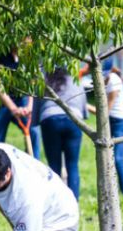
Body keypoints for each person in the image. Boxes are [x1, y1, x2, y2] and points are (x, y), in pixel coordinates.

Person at [37, 67, 88, 200]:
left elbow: (37, 101)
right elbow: (82, 100)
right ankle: (73, 203)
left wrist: (35, 121)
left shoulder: (45, 79)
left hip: (50, 119)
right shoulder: (74, 77)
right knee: (72, 165)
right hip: (73, 119)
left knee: (54, 165)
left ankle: (57, 202)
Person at [86, 58, 123, 195]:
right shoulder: (102, 79)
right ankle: (110, 191)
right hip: (111, 121)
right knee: (107, 158)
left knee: (118, 159)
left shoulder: (113, 80)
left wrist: (83, 106)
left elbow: (104, 112)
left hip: (121, 123)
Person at [0, 50, 42, 160]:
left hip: (22, 99)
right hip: (0, 102)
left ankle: (34, 165)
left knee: (34, 131)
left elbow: (32, 81)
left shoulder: (28, 54)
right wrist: (14, 108)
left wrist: (30, 106)